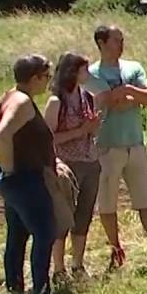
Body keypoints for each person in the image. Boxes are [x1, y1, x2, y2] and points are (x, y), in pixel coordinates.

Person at [84, 24, 147, 268]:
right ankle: (116, 248)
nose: (121, 44)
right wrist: (122, 99)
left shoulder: (134, 68)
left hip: (135, 143)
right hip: (106, 146)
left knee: (146, 198)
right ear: (101, 43)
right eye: (116, 40)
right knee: (107, 201)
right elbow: (98, 104)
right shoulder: (90, 74)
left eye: (122, 39)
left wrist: (126, 92)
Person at [0, 55, 57, 294]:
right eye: (46, 77)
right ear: (34, 78)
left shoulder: (8, 96)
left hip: (15, 178)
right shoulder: (22, 102)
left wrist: (8, 159)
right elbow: (0, 135)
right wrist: (11, 166)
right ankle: (42, 293)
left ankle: (15, 287)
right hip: (24, 178)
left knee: (18, 233)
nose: (48, 82)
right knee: (44, 232)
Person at [43, 53, 102, 277]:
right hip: (66, 165)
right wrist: (81, 131)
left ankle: (78, 264)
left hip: (90, 161)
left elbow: (91, 130)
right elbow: (49, 138)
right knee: (62, 217)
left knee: (83, 216)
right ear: (72, 72)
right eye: (84, 69)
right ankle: (58, 268)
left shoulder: (88, 97)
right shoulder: (56, 102)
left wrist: (93, 128)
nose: (88, 74)